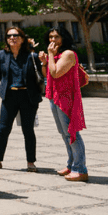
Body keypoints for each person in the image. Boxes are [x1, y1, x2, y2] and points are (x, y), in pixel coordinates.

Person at [0, 27, 42, 172]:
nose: (12, 38)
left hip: (28, 96)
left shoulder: (32, 55)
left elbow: (39, 74)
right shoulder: (1, 55)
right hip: (9, 96)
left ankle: (30, 162)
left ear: (22, 38)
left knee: (28, 130)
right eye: (9, 36)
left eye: (16, 35)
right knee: (3, 129)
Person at [41, 26, 87, 182]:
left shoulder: (67, 54)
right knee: (63, 132)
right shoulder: (57, 55)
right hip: (55, 96)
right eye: (50, 37)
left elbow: (56, 73)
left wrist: (50, 55)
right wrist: (44, 62)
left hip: (66, 97)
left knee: (71, 132)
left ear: (64, 38)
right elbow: (48, 75)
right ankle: (71, 164)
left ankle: (80, 169)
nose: (53, 40)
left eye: (56, 37)